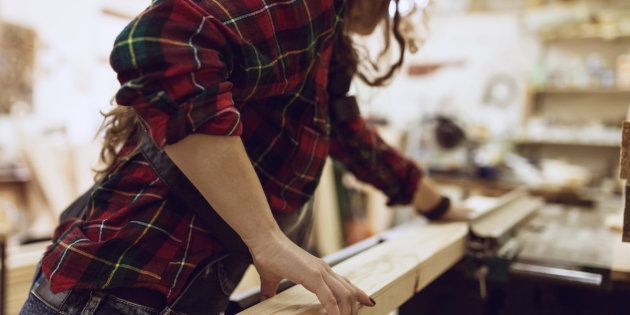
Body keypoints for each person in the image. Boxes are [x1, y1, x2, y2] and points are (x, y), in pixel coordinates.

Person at [21, 0, 469, 314]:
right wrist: (267, 238)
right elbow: (162, 40)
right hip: (122, 287)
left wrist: (441, 206)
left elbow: (350, 135)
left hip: (161, 287)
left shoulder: (325, 43)